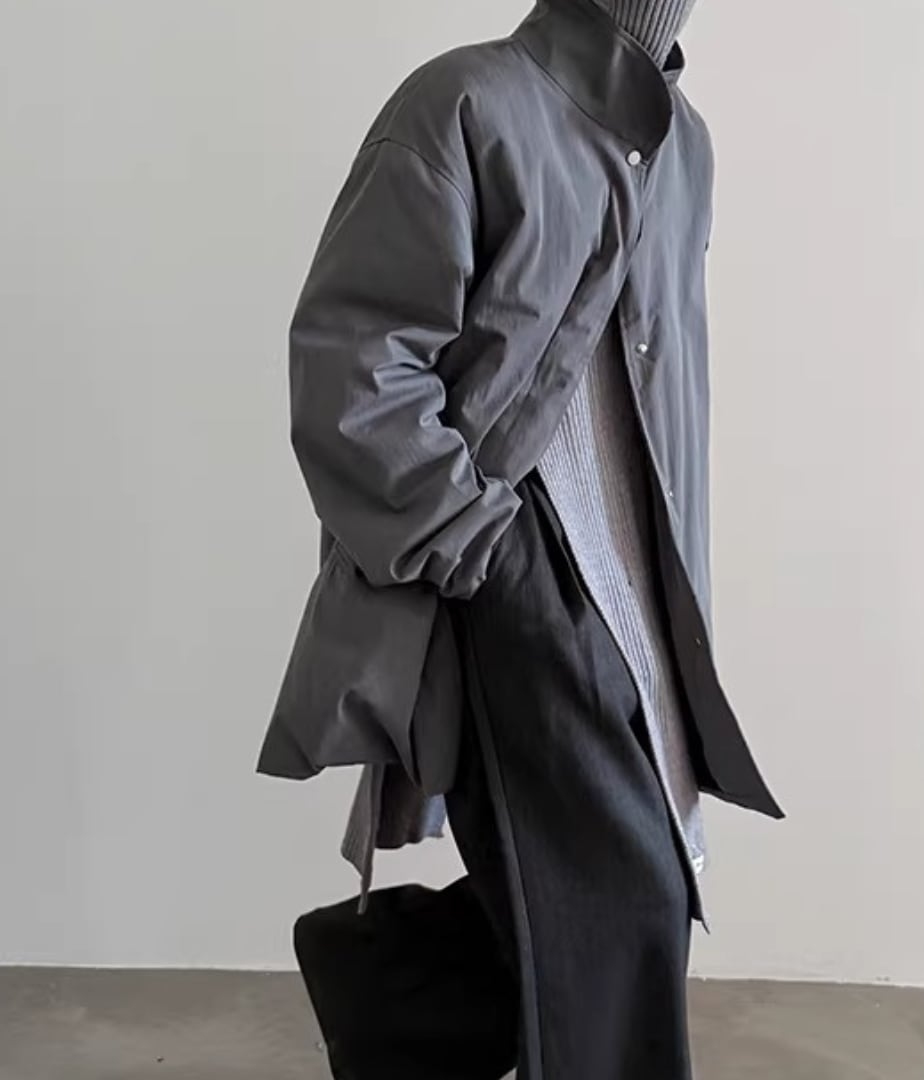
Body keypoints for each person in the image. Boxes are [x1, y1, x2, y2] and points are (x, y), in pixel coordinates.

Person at [257, 0, 784, 1076]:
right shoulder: (464, 103)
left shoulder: (685, 146)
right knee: (625, 894)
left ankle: (391, 996)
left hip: (637, 589)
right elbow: (352, 368)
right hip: (514, 561)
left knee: (640, 887)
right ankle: (392, 997)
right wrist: (482, 544)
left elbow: (661, 397)